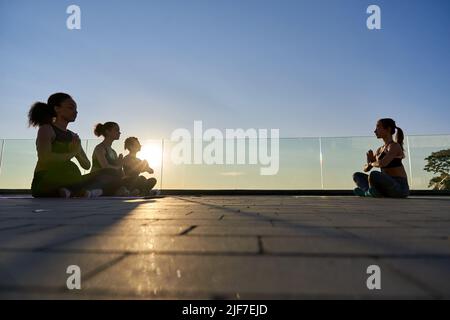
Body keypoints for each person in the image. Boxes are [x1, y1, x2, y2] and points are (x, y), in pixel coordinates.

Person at [29, 93, 116, 198]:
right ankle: (81, 190)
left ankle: (71, 190)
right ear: (57, 109)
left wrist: (77, 151)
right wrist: (72, 152)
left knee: (111, 173)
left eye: (76, 109)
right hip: (46, 179)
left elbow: (86, 165)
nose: (75, 112)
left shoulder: (73, 136)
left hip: (71, 178)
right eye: (71, 108)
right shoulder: (47, 129)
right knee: (68, 169)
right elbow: (45, 158)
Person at [353, 118, 410, 198]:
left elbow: (383, 163)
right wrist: (370, 163)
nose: (375, 131)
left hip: (399, 188)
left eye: (378, 127)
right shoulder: (379, 150)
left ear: (388, 129)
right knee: (357, 175)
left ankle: (368, 192)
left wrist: (372, 163)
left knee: (374, 174)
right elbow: (366, 169)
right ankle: (371, 192)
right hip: (386, 186)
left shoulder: (394, 146)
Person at [91, 122, 129, 196]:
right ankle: (119, 191)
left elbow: (119, 170)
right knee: (114, 175)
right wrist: (118, 167)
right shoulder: (100, 148)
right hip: (98, 179)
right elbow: (105, 167)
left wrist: (121, 164)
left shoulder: (113, 152)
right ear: (107, 132)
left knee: (135, 179)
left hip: (110, 179)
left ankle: (121, 191)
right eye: (116, 130)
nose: (119, 132)